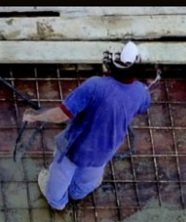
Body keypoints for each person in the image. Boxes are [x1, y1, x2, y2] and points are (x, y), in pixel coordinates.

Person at [22, 41, 158, 212]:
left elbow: (61, 114)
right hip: (106, 149)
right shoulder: (141, 93)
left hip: (76, 147)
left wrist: (35, 117)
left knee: (61, 174)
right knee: (90, 176)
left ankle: (57, 202)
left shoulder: (95, 85)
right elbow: (140, 107)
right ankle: (78, 193)